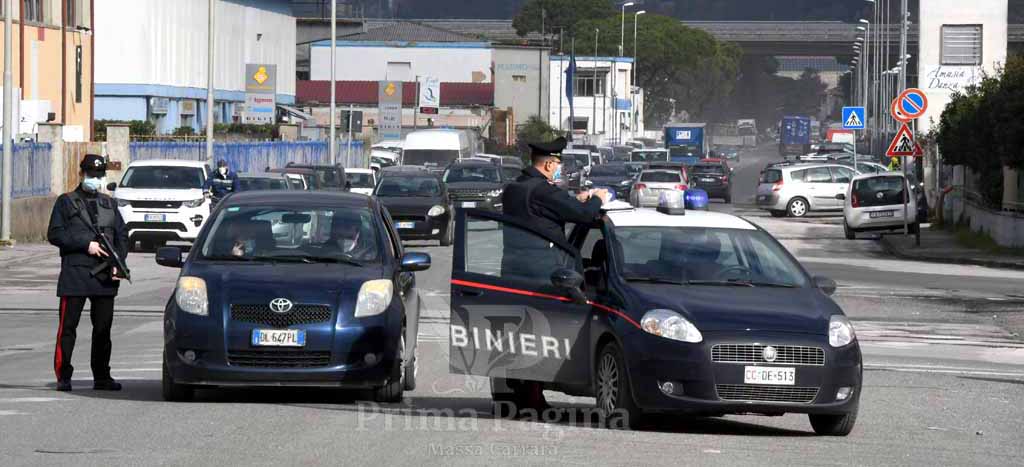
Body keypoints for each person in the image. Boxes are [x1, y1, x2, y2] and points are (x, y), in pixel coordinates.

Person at [495, 136, 609, 414]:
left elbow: (550, 211)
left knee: (519, 339)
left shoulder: (515, 189)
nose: (561, 168)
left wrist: (576, 200)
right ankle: (532, 399)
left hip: (512, 272)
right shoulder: (544, 191)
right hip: (544, 277)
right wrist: (596, 199)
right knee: (541, 338)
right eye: (559, 163)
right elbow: (582, 216)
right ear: (548, 164)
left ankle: (517, 397)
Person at [46, 154, 129, 392]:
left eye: (99, 176)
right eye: (91, 175)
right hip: (76, 273)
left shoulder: (109, 203)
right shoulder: (66, 202)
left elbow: (123, 235)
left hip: (105, 276)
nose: (95, 179)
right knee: (68, 328)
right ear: (81, 174)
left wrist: (118, 263)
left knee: (103, 329)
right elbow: (55, 234)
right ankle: (63, 375)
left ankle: (102, 376)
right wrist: (86, 244)